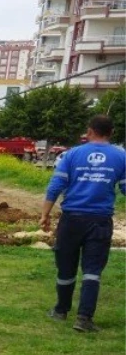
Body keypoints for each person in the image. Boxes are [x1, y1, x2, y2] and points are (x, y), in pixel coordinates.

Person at [40, 114, 126, 333]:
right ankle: (84, 318)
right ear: (111, 133)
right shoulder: (121, 156)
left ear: (89, 132)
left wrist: (45, 214)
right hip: (100, 221)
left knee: (66, 266)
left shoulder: (72, 154)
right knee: (92, 271)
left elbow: (56, 186)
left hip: (71, 220)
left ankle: (61, 310)